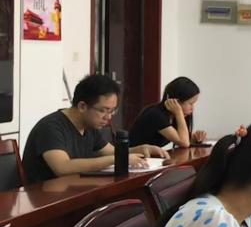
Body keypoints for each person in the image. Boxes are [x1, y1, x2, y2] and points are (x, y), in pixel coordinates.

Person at [22, 73, 167, 183]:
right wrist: (117, 159)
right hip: (44, 199)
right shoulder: (51, 127)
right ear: (82, 106)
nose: (108, 117)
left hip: (74, 190)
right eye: (103, 110)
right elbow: (63, 167)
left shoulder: (89, 126)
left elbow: (112, 152)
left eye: (112, 111)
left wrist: (140, 148)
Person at [130, 76, 208, 149]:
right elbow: (184, 142)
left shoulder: (172, 116)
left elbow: (184, 140)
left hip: (148, 157)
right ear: (176, 101)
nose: (192, 108)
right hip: (133, 156)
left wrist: (195, 138)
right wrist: (179, 113)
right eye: (190, 103)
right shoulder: (155, 114)